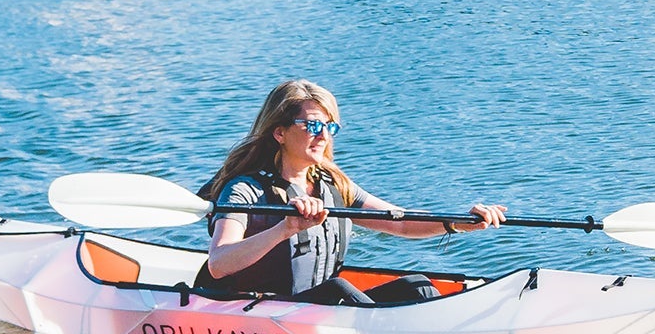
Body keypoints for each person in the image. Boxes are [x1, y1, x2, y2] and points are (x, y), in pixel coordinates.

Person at [193, 79, 504, 306]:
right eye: (313, 126)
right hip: (261, 311)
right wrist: (284, 228)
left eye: (330, 127)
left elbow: (399, 222)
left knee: (419, 287)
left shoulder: (333, 184)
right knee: (339, 290)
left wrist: (457, 223)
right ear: (280, 132)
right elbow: (219, 263)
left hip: (317, 309)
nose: (324, 136)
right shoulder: (243, 190)